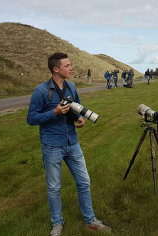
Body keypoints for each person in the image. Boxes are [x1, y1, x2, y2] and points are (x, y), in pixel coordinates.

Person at [27, 53, 111, 236]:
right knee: (54, 187)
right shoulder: (41, 91)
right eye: (67, 65)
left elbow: (77, 107)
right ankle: (57, 225)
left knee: (84, 181)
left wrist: (80, 118)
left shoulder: (71, 87)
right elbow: (31, 118)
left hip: (72, 143)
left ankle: (90, 220)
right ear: (56, 69)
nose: (71, 68)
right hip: (52, 145)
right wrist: (54, 112)